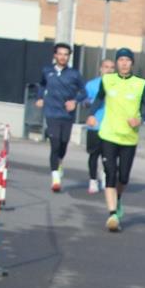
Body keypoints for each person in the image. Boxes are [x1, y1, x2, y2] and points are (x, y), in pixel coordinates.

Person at [86, 49, 145, 232]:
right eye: (121, 60)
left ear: (132, 63)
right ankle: (112, 215)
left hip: (129, 138)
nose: (124, 63)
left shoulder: (140, 84)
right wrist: (91, 114)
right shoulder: (108, 80)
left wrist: (140, 120)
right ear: (117, 63)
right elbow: (98, 99)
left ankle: (117, 199)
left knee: (123, 177)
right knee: (110, 173)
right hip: (108, 135)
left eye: (127, 60)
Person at [34, 43, 86, 193]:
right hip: (51, 112)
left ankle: (59, 162)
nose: (63, 57)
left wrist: (75, 101)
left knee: (63, 143)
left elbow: (83, 91)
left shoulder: (74, 74)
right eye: (60, 54)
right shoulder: (47, 71)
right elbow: (42, 85)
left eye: (66, 54)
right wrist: (39, 97)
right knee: (55, 143)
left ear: (69, 57)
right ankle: (55, 178)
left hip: (67, 115)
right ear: (55, 55)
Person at [82, 57, 115, 194]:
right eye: (106, 67)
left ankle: (105, 176)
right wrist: (89, 103)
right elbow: (84, 101)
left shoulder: (118, 85)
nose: (109, 70)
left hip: (112, 126)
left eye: (112, 67)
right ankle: (93, 180)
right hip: (95, 125)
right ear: (101, 69)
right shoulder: (92, 85)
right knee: (94, 155)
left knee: (109, 156)